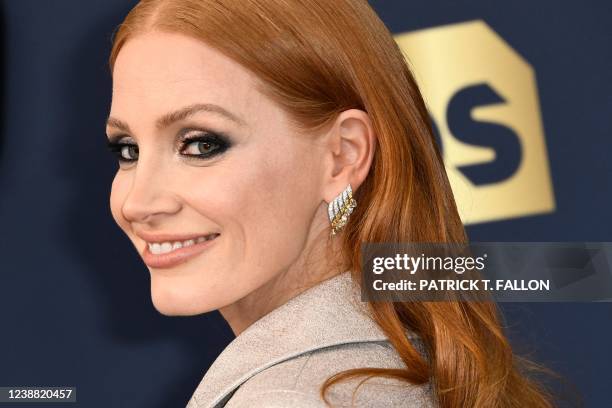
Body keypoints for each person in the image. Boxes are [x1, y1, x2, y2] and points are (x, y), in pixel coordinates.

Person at [105, 0, 554, 406]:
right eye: (127, 150)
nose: (138, 202)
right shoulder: (404, 369)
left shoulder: (291, 397)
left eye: (201, 145)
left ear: (343, 156)